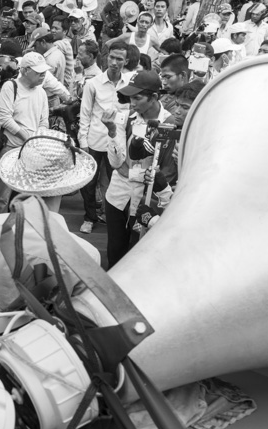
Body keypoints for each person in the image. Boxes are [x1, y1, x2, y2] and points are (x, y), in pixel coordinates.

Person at [102, 71, 176, 267]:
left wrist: (130, 172)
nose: (132, 103)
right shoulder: (125, 118)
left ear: (153, 97)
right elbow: (116, 163)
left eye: (137, 98)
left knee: (140, 255)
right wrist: (111, 131)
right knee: (115, 251)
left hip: (147, 201)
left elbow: (165, 170)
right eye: (130, 98)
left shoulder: (169, 124)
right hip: (118, 196)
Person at [135, 80, 205, 230]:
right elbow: (144, 155)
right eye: (177, 105)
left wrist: (185, 162)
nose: (177, 111)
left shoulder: (204, 143)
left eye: (185, 107)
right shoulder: (169, 128)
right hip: (158, 200)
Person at [77, 41, 132, 234]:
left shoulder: (130, 83)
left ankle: (112, 217)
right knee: (89, 183)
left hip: (117, 142)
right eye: (112, 57)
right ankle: (89, 217)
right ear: (106, 57)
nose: (114, 62)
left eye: (119, 59)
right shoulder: (93, 84)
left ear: (126, 61)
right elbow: (85, 113)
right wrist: (83, 141)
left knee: (116, 181)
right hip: (95, 140)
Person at [0, 52, 50, 214]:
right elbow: (4, 117)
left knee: (27, 196)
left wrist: (37, 139)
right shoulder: (11, 86)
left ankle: (21, 232)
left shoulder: (42, 93)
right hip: (8, 148)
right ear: (24, 70)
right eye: (38, 72)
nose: (42, 75)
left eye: (44, 72)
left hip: (30, 152)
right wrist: (26, 137)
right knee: (3, 196)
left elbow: (44, 121)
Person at [50, 16, 75, 89]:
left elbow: (49, 47)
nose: (53, 30)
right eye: (52, 27)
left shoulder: (62, 43)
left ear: (65, 31)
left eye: (56, 28)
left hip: (64, 85)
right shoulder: (62, 42)